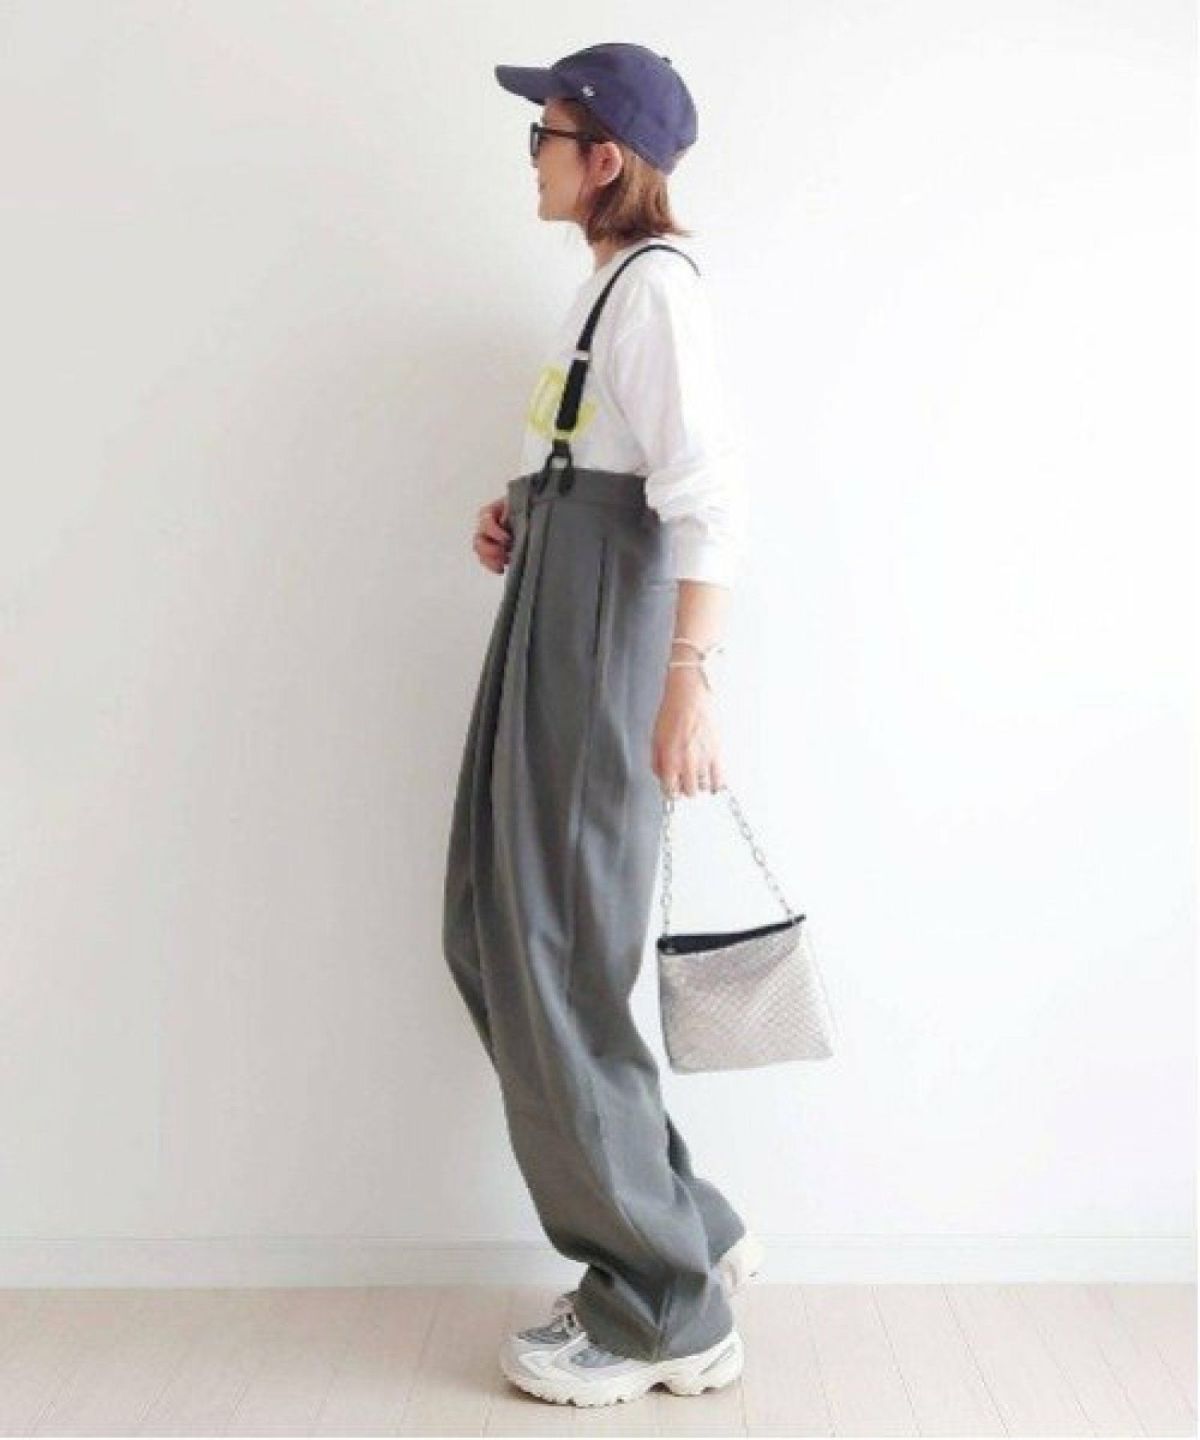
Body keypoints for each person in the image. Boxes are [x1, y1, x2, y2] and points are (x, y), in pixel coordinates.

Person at [441, 42, 764, 1408]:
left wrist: (689, 676)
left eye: (547, 135)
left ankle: (660, 1306)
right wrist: (533, 507)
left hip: (601, 648)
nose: (533, 157)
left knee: (554, 954)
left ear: (605, 158)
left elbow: (709, 495)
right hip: (556, 620)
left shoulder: (656, 293)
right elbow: (616, 467)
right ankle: (685, 1228)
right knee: (492, 930)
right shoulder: (611, 287)